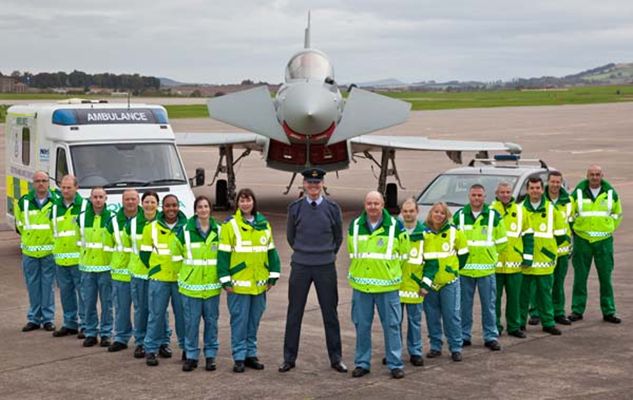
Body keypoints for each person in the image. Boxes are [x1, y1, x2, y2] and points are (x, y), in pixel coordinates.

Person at [280, 168, 346, 374]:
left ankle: (336, 358)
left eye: (317, 183)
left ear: (323, 184)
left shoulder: (333, 208)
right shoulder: (295, 208)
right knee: (294, 312)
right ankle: (289, 358)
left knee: (330, 313)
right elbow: (291, 237)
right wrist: (304, 253)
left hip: (325, 266)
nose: (313, 186)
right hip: (301, 265)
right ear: (304, 184)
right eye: (310, 183)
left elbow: (338, 237)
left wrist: (326, 254)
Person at [347, 191, 409, 379]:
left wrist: (390, 273)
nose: (372, 207)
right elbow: (352, 252)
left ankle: (395, 364)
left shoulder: (396, 227)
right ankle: (362, 363)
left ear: (382, 205)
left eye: (376, 203)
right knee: (361, 326)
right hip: (362, 287)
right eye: (369, 203)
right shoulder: (355, 225)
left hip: (387, 287)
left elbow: (404, 255)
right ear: (365, 205)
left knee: (392, 326)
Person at [218, 189, 281, 373]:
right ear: (237, 204)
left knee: (254, 321)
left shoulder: (263, 224)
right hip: (238, 285)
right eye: (242, 201)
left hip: (259, 285)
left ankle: (250, 354)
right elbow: (223, 255)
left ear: (254, 202)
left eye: (248, 200)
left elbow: (271, 252)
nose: (245, 204)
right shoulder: (230, 225)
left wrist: (273, 276)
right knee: (239, 321)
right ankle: (239, 356)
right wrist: (225, 280)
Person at [171, 196, 222, 372]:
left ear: (210, 209)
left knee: (211, 323)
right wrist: (185, 275)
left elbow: (224, 256)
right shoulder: (185, 231)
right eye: (200, 207)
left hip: (212, 286)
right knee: (191, 324)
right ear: (195, 210)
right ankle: (191, 356)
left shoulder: (219, 231)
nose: (203, 209)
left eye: (206, 206)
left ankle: (210, 356)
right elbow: (175, 256)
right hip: (191, 287)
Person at [454, 184, 506, 351]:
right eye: (474, 195)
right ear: (469, 197)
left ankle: (490, 336)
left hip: (486, 270)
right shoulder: (459, 216)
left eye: (479, 195)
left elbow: (502, 242)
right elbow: (453, 241)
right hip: (465, 270)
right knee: (464, 306)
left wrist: (491, 256)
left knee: (489, 305)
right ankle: (464, 335)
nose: (476, 198)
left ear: (485, 197)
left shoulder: (494, 216)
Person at [569, 165, 623, 323]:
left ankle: (609, 311)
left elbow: (617, 214)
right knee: (580, 278)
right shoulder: (577, 193)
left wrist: (608, 228)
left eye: (597, 174)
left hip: (604, 241)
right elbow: (569, 214)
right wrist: (575, 230)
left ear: (602, 176)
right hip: (582, 240)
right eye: (592, 174)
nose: (594, 177)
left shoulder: (611, 193)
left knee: (606, 278)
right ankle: (577, 310)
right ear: (587, 176)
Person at [140, 194, 187, 366]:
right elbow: (144, 254)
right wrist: (156, 269)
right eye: (168, 205)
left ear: (178, 206)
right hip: (159, 279)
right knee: (156, 315)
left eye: (174, 205)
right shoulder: (151, 228)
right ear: (162, 207)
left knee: (183, 316)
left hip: (180, 279)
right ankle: (151, 349)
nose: (171, 209)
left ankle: (187, 348)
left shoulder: (186, 227)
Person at [422, 202, 469, 362]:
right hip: (430, 283)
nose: (439, 215)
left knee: (452, 315)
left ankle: (455, 347)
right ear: (431, 213)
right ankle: (435, 346)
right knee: (432, 316)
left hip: (449, 282)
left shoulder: (455, 232)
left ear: (446, 215)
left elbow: (463, 254)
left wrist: (453, 270)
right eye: (436, 212)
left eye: (442, 213)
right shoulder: (423, 233)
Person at [519, 177, 566, 335]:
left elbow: (561, 235)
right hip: (525, 260)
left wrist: (548, 251)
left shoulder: (552, 209)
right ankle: (520, 323)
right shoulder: (519, 209)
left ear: (542, 189)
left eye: (537, 188)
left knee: (545, 294)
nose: (535, 191)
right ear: (527, 190)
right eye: (532, 188)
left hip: (545, 261)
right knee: (522, 295)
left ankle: (548, 323)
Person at [15, 171, 58, 332]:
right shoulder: (24, 201)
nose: (41, 184)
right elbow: (20, 224)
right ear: (33, 183)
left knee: (48, 286)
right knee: (32, 286)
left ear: (48, 182)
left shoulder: (56, 201)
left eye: (44, 181)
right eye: (38, 181)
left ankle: (48, 319)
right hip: (30, 252)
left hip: (49, 251)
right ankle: (34, 318)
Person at [491, 182, 534, 339]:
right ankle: (495, 326)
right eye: (502, 192)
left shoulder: (521, 211)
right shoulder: (490, 211)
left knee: (515, 299)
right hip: (495, 265)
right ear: (497, 194)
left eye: (508, 192)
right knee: (494, 300)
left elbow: (528, 235)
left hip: (515, 264)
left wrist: (527, 257)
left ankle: (514, 326)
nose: (505, 195)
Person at [127, 191, 166, 359]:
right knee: (141, 310)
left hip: (160, 274)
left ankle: (162, 342)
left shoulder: (164, 223)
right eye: (147, 202)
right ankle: (140, 342)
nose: (149, 205)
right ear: (141, 204)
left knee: (159, 310)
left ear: (157, 204)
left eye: (153, 202)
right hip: (140, 273)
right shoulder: (132, 224)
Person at [104, 189, 141, 352]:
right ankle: (120, 338)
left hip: (141, 273)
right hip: (121, 273)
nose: (130, 202)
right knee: (121, 308)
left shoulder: (146, 220)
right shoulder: (113, 222)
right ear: (122, 201)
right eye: (127, 199)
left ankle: (142, 340)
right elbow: (107, 246)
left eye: (133, 199)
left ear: (138, 200)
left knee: (144, 310)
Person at [50, 174, 86, 338]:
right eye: (63, 187)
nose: (65, 191)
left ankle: (85, 324)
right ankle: (70, 323)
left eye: (69, 187)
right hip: (61, 259)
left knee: (84, 294)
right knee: (65, 293)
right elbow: (52, 231)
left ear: (76, 188)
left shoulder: (84, 206)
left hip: (79, 259)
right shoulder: (55, 207)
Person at [78, 187, 114, 347]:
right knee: (88, 302)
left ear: (106, 199)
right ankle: (91, 333)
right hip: (87, 267)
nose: (98, 200)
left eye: (101, 197)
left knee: (107, 303)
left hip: (105, 267)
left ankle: (106, 333)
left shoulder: (111, 218)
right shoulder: (81, 218)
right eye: (95, 197)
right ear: (90, 199)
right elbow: (78, 239)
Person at [396, 198, 425, 367]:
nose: (408, 214)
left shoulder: (425, 234)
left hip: (415, 286)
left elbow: (431, 262)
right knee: (395, 322)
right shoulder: (395, 231)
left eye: (411, 211)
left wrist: (425, 284)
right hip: (396, 285)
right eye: (405, 211)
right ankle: (395, 352)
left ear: (417, 212)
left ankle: (415, 352)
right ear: (401, 212)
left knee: (415, 321)